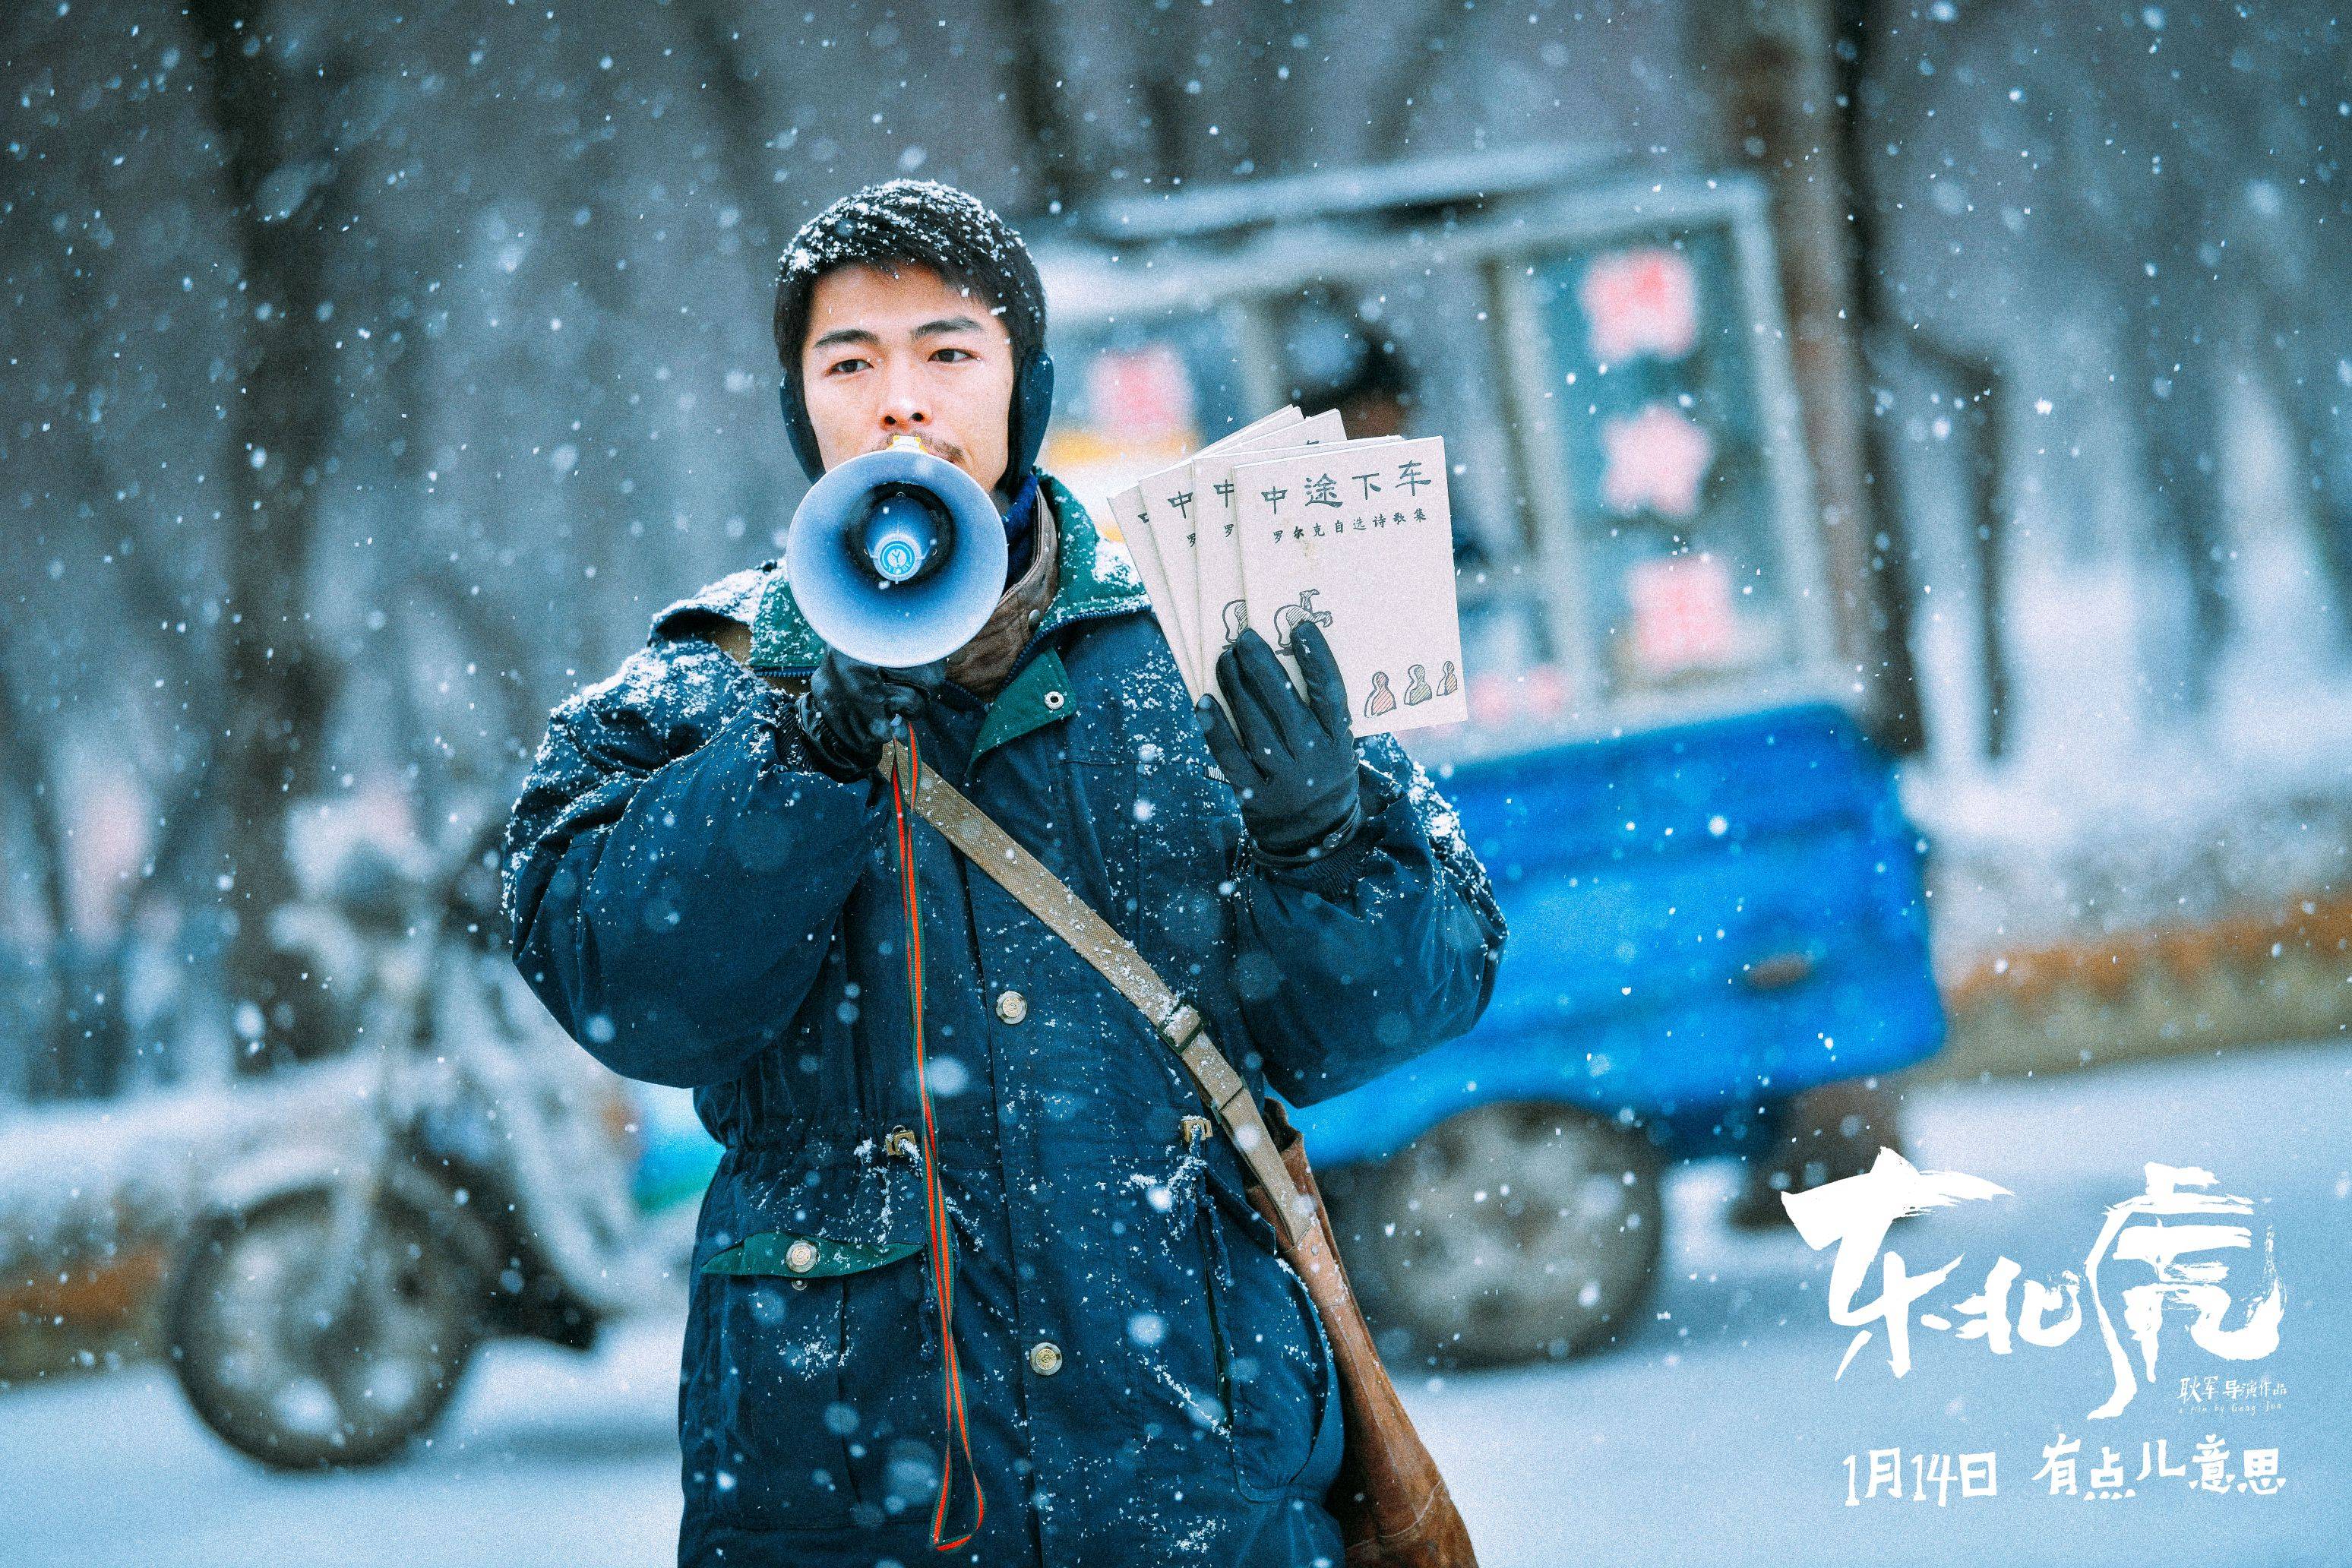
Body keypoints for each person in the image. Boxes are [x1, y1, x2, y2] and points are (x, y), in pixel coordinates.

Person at [501, 178, 1507, 1568]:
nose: (899, 403)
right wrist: (800, 763)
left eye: (947, 354)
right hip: (848, 1502)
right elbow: (635, 1001)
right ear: (803, 406)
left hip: (1193, 1474)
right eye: (849, 363)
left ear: (1024, 387)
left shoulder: (1193, 634)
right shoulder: (690, 691)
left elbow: (1401, 1012)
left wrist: (1325, 840)